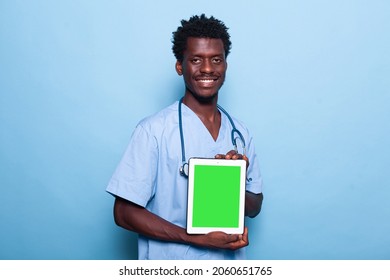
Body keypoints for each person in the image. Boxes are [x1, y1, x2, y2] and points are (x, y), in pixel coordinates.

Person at [106, 14, 263, 260]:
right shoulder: (153, 131)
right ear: (180, 66)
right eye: (196, 60)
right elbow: (123, 213)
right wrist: (193, 238)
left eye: (216, 60)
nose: (208, 69)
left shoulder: (240, 133)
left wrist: (230, 184)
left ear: (225, 66)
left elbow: (254, 206)